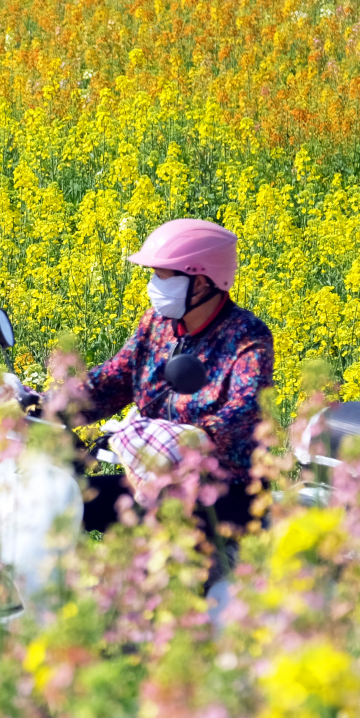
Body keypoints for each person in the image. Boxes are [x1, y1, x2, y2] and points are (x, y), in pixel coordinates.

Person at [75, 217, 274, 539]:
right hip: (153, 484)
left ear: (201, 282)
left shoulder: (246, 337)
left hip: (224, 493)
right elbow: (114, 379)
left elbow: (245, 409)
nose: (154, 285)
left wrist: (194, 438)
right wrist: (47, 405)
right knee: (69, 501)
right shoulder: (157, 323)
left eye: (162, 276)